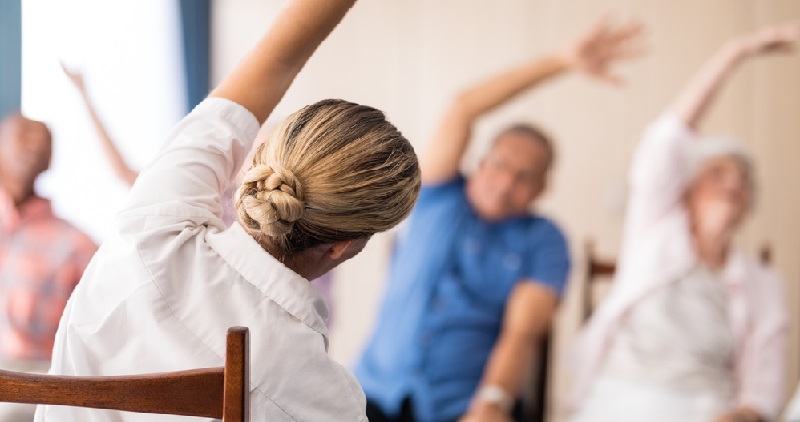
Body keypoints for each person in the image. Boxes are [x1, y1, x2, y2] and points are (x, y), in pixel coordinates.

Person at [35, 0, 420, 420]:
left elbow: (277, 57)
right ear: (343, 246)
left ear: (259, 165)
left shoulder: (152, 227)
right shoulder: (325, 398)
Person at [354, 19, 643, 422]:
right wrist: (562, 61)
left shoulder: (545, 240)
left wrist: (492, 400)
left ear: (543, 188)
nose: (506, 183)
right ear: (479, 162)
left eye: (524, 176)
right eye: (499, 165)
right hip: (369, 396)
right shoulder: (436, 195)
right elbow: (463, 107)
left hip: (465, 409)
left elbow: (522, 333)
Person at [567, 21, 800, 422]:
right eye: (718, 173)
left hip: (709, 409)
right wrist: (737, 51)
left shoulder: (763, 282)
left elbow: (764, 384)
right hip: (622, 402)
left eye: (743, 180)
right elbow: (668, 138)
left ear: (749, 204)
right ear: (685, 192)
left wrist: (744, 415)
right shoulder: (654, 230)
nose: (733, 183)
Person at [0, 112, 97, 421]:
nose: (31, 146)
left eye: (40, 140)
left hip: (37, 383)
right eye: (22, 135)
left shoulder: (77, 246)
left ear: (50, 158)